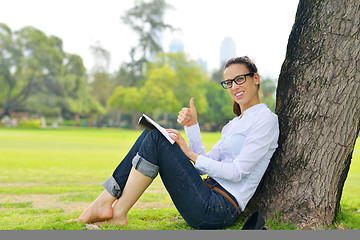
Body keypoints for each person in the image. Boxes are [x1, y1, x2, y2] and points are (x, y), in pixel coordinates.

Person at [66, 56, 279, 229]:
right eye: (229, 83)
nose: (234, 87)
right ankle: (106, 203)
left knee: (156, 138)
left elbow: (237, 172)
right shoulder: (233, 125)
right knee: (153, 134)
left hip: (218, 209)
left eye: (240, 79)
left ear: (256, 78)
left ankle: (115, 210)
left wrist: (189, 154)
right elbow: (202, 167)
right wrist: (192, 125)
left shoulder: (266, 120)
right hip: (204, 194)